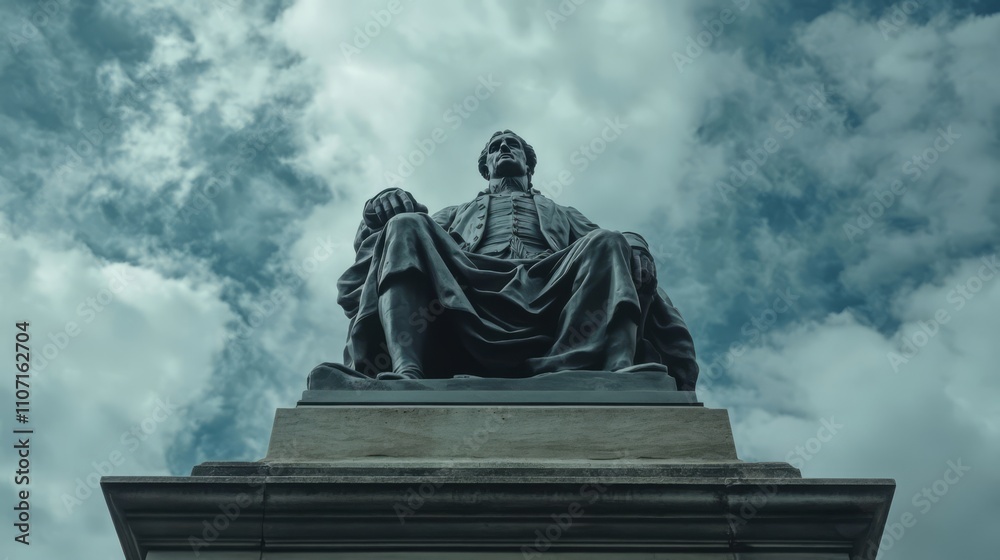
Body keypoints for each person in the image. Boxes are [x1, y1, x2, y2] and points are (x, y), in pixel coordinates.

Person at [335, 129, 698, 390]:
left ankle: (618, 372)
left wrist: (637, 244)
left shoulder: (561, 212)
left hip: (549, 284)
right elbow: (386, 240)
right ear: (487, 166)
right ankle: (407, 373)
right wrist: (378, 208)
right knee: (406, 224)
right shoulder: (456, 212)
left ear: (528, 163)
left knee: (608, 241)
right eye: (496, 147)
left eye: (513, 145)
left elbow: (605, 239)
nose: (504, 148)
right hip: (468, 285)